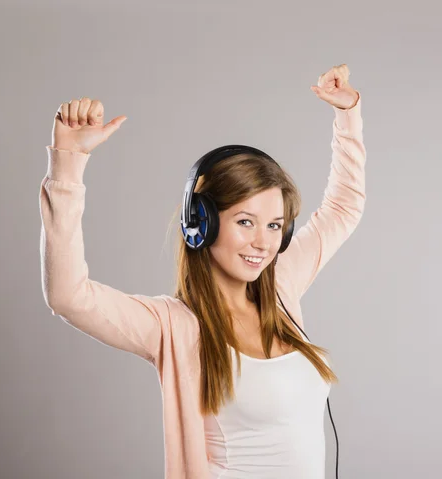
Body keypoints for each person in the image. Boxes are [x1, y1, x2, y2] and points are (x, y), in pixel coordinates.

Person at [39, 63, 366, 479]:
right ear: (202, 224)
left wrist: (348, 113)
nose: (264, 243)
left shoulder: (281, 288)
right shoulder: (173, 326)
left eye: (274, 225)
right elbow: (68, 295)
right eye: (245, 222)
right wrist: (68, 164)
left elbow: (343, 207)